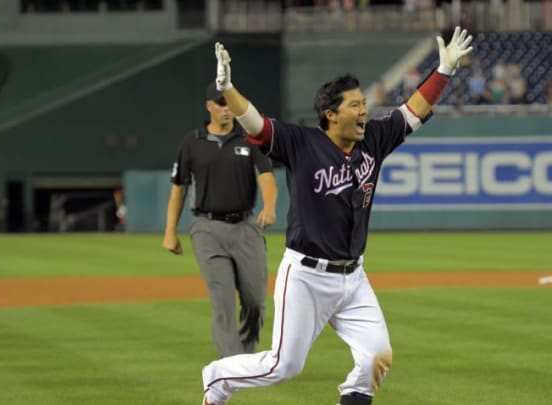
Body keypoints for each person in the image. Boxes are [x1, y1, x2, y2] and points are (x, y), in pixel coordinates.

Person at [201, 26, 473, 405]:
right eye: (355, 105)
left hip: (354, 277)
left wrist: (443, 70)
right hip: (307, 277)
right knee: (284, 366)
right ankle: (217, 378)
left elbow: (413, 111)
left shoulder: (374, 140)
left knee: (376, 355)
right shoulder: (301, 143)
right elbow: (257, 125)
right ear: (331, 114)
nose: (364, 110)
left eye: (364, 103)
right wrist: (228, 88)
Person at [162, 82, 278, 358]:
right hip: (207, 228)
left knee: (255, 301)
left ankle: (247, 354)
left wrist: (270, 207)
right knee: (223, 300)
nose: (227, 109)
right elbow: (178, 189)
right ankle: (231, 363)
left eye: (229, 103)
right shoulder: (192, 143)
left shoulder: (250, 138)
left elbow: (267, 177)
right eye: (221, 103)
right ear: (209, 106)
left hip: (246, 227)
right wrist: (170, 232)